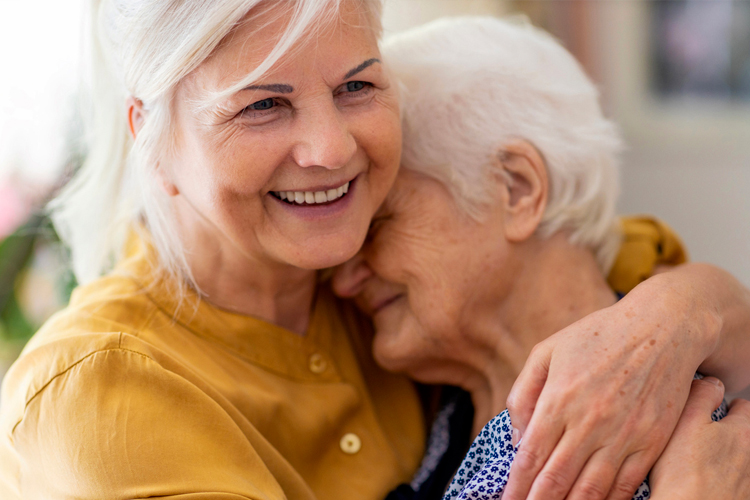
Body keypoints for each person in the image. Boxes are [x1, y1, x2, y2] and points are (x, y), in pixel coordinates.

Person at [0, 2, 747, 498]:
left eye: (357, 87)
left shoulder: (360, 279)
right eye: (263, 104)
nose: (330, 151)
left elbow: (620, 270)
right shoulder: (101, 394)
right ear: (150, 134)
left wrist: (690, 311)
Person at [333, 16, 750, 500]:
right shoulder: (443, 416)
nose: (344, 276)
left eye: (378, 222)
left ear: (518, 189)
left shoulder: (686, 434)